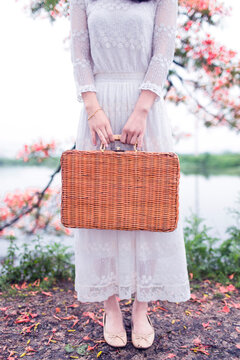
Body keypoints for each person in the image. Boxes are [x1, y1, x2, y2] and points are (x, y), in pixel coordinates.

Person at [69, 0, 191, 349]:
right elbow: (80, 57)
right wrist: (92, 109)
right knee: (100, 208)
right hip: (99, 107)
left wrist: (142, 110)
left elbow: (162, 54)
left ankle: (141, 309)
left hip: (145, 106)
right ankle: (110, 307)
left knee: (147, 207)